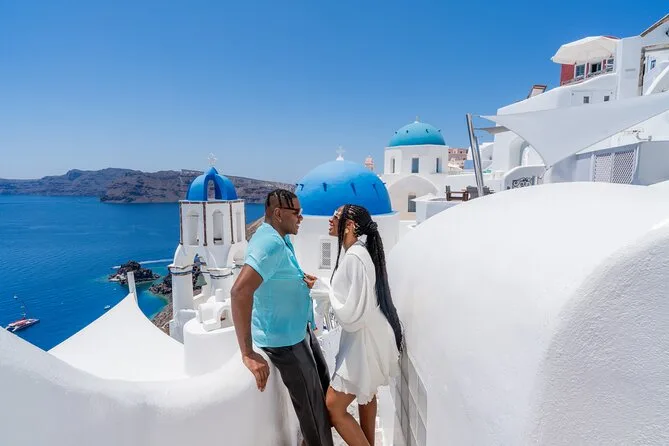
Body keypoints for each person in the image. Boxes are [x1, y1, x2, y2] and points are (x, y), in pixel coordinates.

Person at [230, 189, 334, 446]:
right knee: (313, 412)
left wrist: (299, 280)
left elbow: (276, 276)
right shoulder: (270, 243)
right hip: (284, 342)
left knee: (322, 392)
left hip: (299, 331)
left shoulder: (281, 238)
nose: (301, 218)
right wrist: (247, 353)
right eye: (296, 213)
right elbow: (240, 291)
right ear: (278, 213)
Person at [306, 204, 403, 446]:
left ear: (349, 226)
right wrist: (322, 287)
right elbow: (354, 299)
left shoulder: (355, 258)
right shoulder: (358, 253)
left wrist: (321, 289)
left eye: (335, 217)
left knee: (334, 407)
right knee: (365, 396)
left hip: (362, 340)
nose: (330, 220)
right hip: (367, 336)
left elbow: (353, 311)